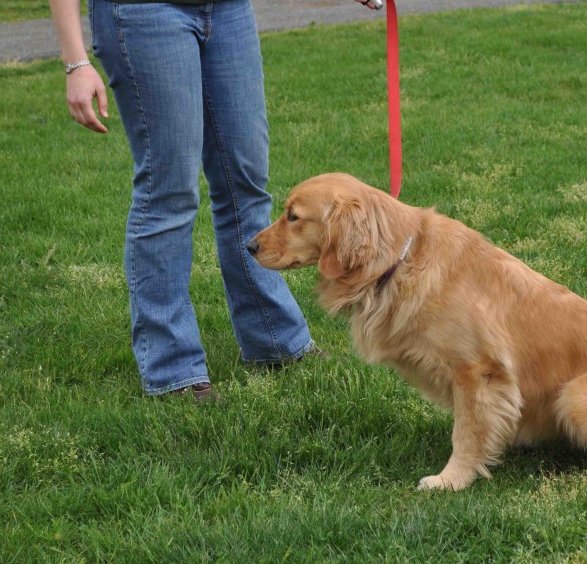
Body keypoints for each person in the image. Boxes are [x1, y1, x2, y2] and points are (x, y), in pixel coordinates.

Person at [49, 0, 376, 399]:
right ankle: (173, 370)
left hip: (226, 10)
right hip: (142, 13)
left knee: (246, 185)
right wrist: (76, 61)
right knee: (169, 190)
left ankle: (274, 341)